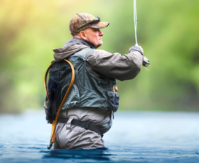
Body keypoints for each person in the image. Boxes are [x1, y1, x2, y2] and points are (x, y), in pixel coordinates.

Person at [45, 13, 144, 149]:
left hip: (59, 134)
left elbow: (48, 104)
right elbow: (131, 66)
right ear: (83, 35)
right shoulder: (91, 56)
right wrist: (137, 52)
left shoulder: (59, 62)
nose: (101, 33)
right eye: (96, 30)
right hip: (83, 136)